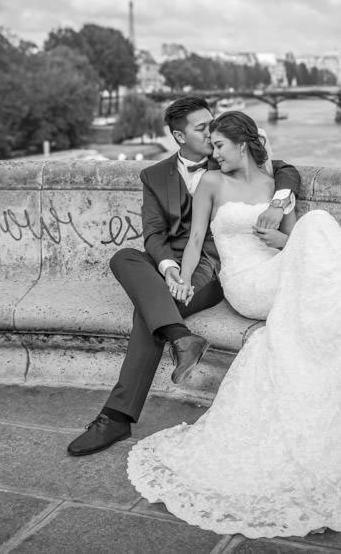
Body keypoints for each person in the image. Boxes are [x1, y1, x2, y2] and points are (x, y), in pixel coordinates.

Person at [127, 110, 341, 538]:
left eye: (220, 145)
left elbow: (295, 240)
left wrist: (279, 236)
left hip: (281, 268)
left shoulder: (273, 185)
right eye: (212, 145)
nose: (214, 153)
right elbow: (197, 237)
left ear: (242, 144)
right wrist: (183, 279)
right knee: (324, 262)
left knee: (317, 225)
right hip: (248, 283)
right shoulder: (211, 183)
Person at [67, 97, 302, 456]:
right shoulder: (154, 175)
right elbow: (154, 234)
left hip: (212, 268)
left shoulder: (226, 157)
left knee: (147, 311)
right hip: (173, 264)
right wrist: (171, 269)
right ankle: (180, 336)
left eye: (214, 125)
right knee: (125, 257)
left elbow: (284, 170)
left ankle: (116, 416)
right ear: (179, 136)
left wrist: (279, 199)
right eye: (202, 128)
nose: (212, 132)